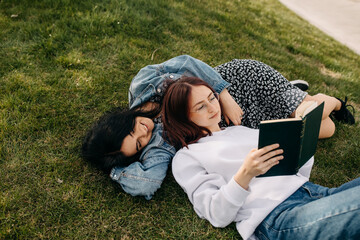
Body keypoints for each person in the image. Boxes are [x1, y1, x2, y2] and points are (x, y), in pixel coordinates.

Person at [82, 55, 355, 200]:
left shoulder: (142, 85)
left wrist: (224, 95)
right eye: (138, 144)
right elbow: (147, 184)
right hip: (237, 123)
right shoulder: (157, 144)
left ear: (118, 121)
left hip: (233, 86)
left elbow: (187, 63)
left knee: (309, 114)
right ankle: (301, 95)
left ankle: (332, 102)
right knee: (323, 130)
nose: (143, 132)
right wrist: (114, 168)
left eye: (131, 132)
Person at [161, 77, 360, 240]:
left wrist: (300, 140)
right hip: (279, 218)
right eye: (200, 107)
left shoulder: (239, 130)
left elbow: (296, 169)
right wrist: (245, 175)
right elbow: (216, 214)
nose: (213, 108)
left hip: (314, 193)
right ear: (183, 117)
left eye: (211, 98)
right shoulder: (186, 157)